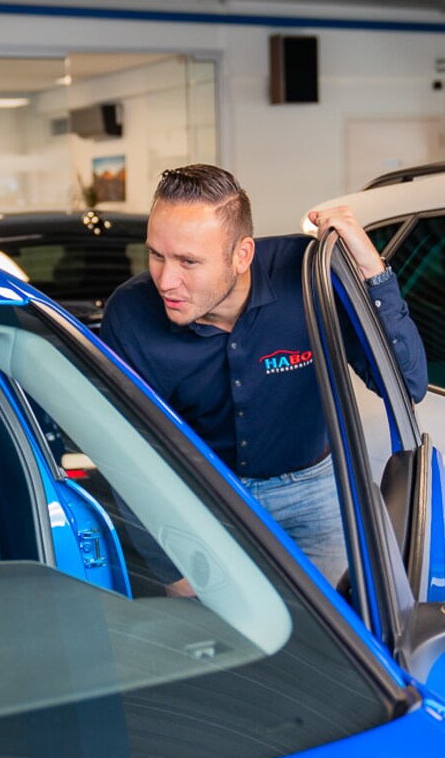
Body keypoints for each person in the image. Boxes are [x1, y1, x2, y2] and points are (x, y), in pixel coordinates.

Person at [99, 165, 427, 585]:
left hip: (315, 495)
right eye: (156, 255)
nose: (165, 280)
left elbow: (407, 383)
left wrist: (372, 270)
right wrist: (170, 567)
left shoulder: (308, 277)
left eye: (188, 261)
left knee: (349, 618)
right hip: (203, 497)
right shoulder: (130, 315)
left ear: (242, 255)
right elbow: (127, 450)